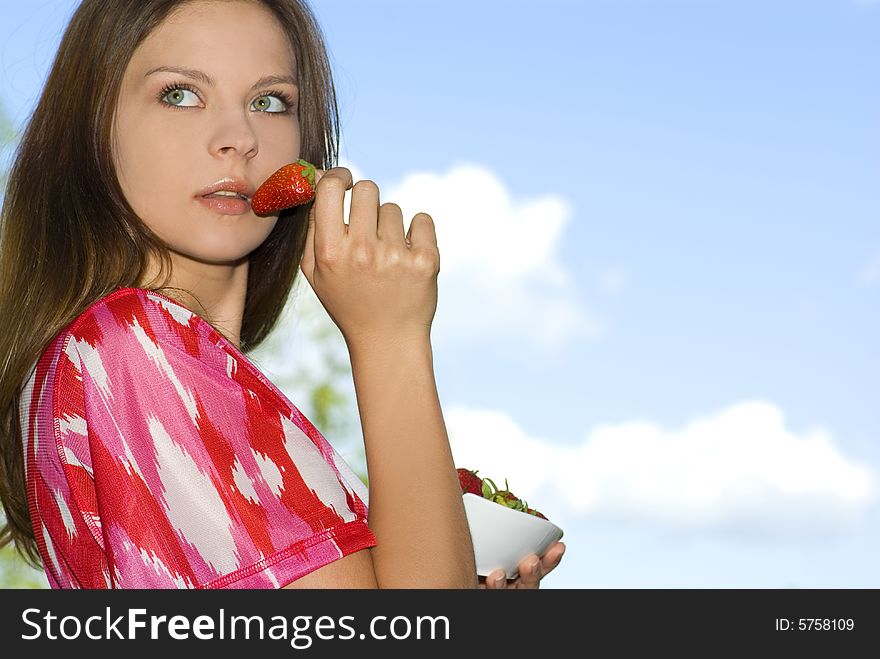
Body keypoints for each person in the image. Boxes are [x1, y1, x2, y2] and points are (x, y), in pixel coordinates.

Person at [0, 0, 565, 589]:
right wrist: (390, 337)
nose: (239, 139)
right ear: (91, 124)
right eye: (181, 94)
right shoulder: (130, 345)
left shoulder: (102, 359)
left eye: (269, 102)